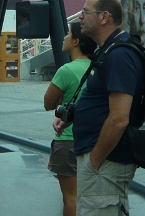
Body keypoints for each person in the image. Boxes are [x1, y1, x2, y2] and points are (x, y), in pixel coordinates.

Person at [54, 0, 143, 215]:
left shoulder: (119, 55)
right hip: (102, 161)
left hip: (105, 163)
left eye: (85, 12)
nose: (80, 17)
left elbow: (119, 118)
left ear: (104, 17)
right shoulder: (108, 51)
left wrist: (94, 162)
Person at [44, 21, 97, 216]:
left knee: (71, 197)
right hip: (95, 140)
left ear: (75, 41)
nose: (64, 37)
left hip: (68, 141)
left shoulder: (66, 71)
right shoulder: (98, 68)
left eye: (67, 34)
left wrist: (62, 101)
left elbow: (48, 103)